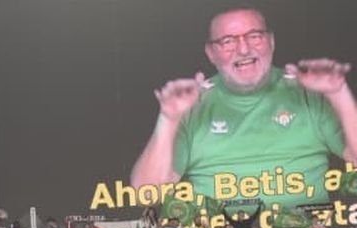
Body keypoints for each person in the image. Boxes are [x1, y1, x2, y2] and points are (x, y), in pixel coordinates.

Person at [129, 8, 357, 209]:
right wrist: (169, 119)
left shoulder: (308, 95)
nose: (244, 49)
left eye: (254, 36)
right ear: (211, 53)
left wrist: (338, 93)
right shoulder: (193, 105)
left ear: (271, 42)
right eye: (228, 41)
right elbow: (146, 196)